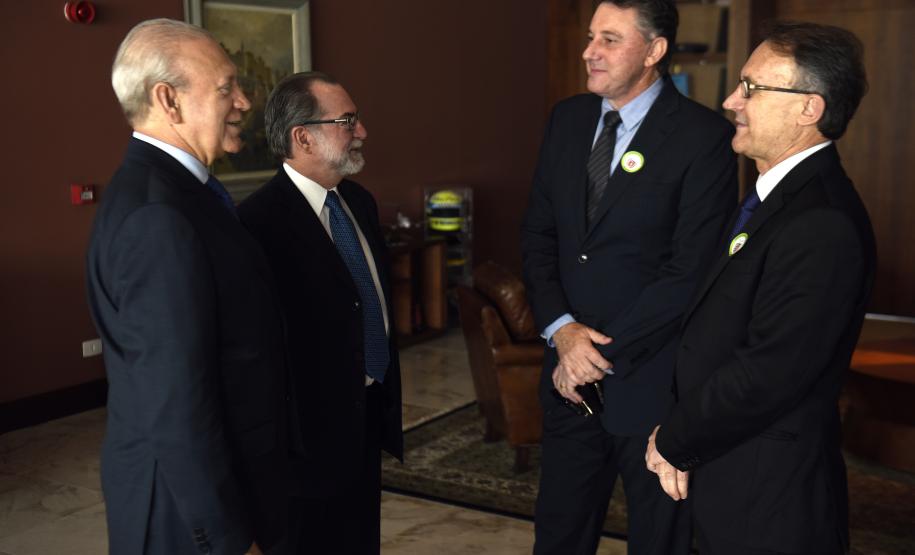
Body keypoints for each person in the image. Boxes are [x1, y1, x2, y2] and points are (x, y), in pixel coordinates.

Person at [647, 21, 875, 555]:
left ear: (808, 109)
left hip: (768, 497)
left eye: (751, 87)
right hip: (729, 471)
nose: (731, 101)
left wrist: (674, 440)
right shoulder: (772, 197)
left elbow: (768, 370)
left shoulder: (822, 222)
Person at [520, 0, 737, 552]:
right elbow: (539, 237)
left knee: (658, 539)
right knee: (560, 532)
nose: (589, 51)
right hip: (568, 383)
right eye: (591, 36)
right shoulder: (566, 119)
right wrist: (564, 334)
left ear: (655, 51)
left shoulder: (703, 136)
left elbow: (689, 271)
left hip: (651, 387)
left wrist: (595, 355)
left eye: (610, 39)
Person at [85, 18, 289, 555]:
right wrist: (225, 537)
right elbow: (177, 401)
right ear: (168, 101)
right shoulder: (159, 214)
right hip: (186, 516)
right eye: (227, 88)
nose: (244, 102)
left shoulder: (183, 193)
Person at [237, 72, 403, 555]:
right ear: (302, 137)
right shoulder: (256, 225)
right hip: (303, 442)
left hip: (366, 415)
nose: (362, 131)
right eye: (347, 121)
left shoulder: (360, 202)